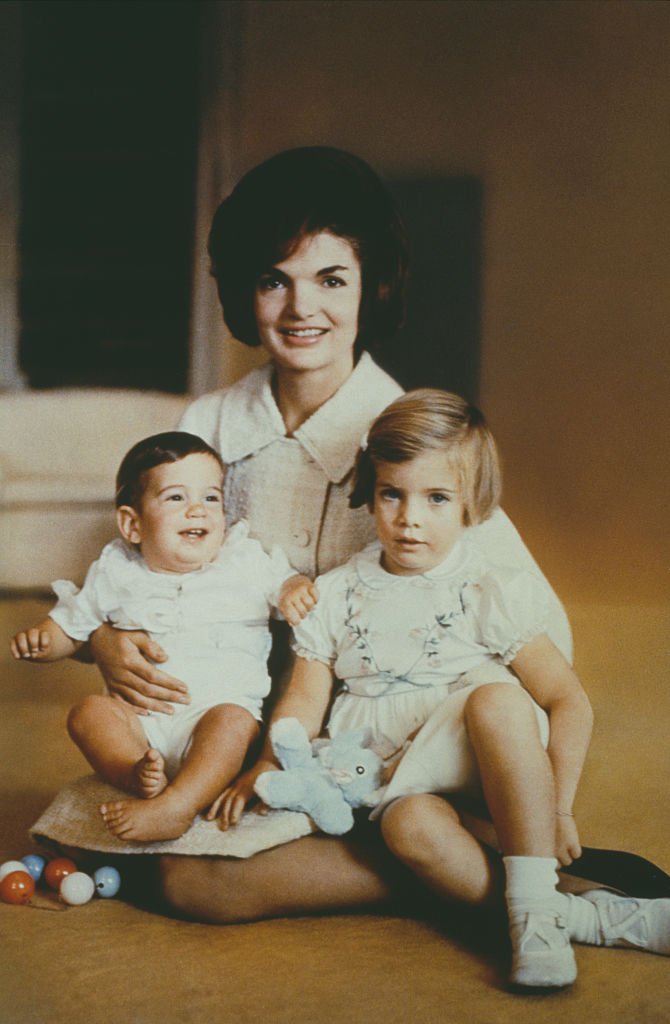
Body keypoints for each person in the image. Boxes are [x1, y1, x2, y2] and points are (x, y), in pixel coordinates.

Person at [78, 147, 666, 925]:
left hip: (393, 743)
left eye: (331, 279)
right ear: (243, 292)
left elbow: (534, 639)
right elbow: (142, 567)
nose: (300, 307)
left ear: (371, 287)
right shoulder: (207, 426)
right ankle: (463, 856)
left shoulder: (408, 444)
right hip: (259, 733)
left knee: (200, 879)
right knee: (151, 862)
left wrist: (534, 788)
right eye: (272, 279)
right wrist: (107, 640)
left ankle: (490, 861)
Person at [214, 388, 670, 989]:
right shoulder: (338, 593)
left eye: (436, 498)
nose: (409, 519)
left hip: (486, 765)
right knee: (411, 832)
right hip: (393, 782)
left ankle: (535, 906)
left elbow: (568, 701)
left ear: (470, 506)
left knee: (497, 697)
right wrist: (269, 763)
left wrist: (558, 808)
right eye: (392, 495)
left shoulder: (486, 589)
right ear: (370, 494)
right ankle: (587, 918)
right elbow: (303, 699)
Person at [11, 431, 316, 843]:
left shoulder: (242, 561)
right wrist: (46, 641)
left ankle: (177, 806)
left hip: (210, 717)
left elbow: (284, 581)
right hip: (141, 722)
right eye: (176, 498)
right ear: (132, 524)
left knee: (235, 722)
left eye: (211, 498)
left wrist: (294, 587)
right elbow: (73, 623)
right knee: (88, 714)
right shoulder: (116, 569)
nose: (197, 510)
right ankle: (135, 773)